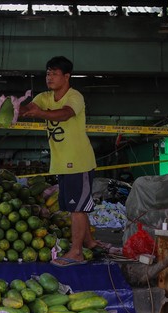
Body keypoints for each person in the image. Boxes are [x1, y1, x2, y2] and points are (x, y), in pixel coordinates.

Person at [20, 56, 103, 266]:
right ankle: (90, 244)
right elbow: (29, 108)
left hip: (78, 161)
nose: (50, 77)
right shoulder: (45, 97)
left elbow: (65, 114)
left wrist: (42, 113)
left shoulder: (75, 97)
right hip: (62, 162)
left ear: (67, 76)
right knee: (76, 207)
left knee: (77, 209)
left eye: (55, 73)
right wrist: (11, 107)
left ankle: (76, 253)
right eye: (48, 73)